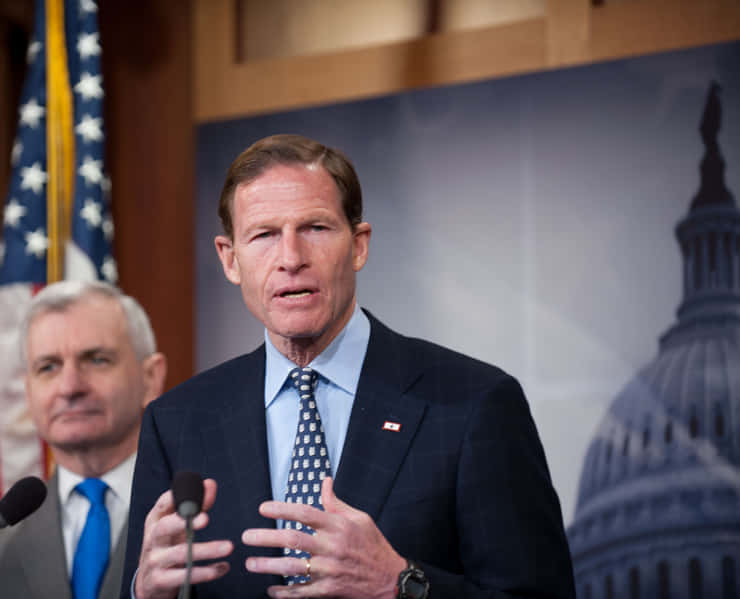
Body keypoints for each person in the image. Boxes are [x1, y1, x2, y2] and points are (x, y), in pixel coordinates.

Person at [121, 134, 575, 599]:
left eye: (315, 228)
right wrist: (144, 594)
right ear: (230, 259)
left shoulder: (472, 404)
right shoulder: (177, 422)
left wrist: (398, 583)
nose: (291, 259)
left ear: (358, 245)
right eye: (264, 235)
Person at [0, 280, 167, 599]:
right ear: (28, 392)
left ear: (150, 378)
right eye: (48, 367)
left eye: (97, 360)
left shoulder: (205, 523)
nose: (69, 387)